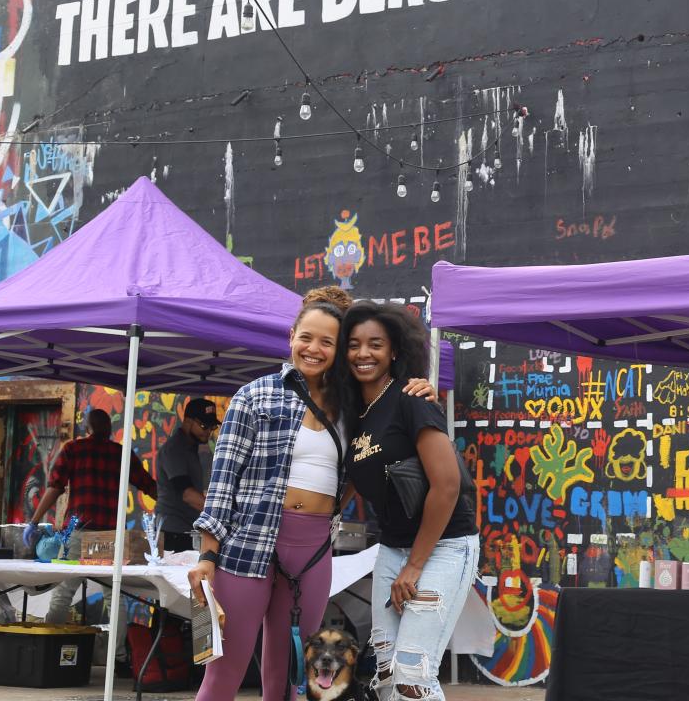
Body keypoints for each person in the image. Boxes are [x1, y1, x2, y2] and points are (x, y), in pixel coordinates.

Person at [188, 287, 438, 701]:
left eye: (328, 342)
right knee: (224, 674)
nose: (314, 349)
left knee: (290, 677)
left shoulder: (356, 406)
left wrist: (420, 388)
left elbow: (370, 456)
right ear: (291, 336)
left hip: (313, 551)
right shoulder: (255, 395)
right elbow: (222, 483)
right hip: (247, 546)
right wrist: (207, 557)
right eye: (307, 337)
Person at [335, 301, 477, 701]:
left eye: (375, 344)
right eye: (354, 344)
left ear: (394, 350)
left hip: (443, 546)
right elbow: (354, 475)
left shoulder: (411, 399)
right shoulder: (354, 412)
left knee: (413, 675)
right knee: (385, 674)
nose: (364, 354)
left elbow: (447, 485)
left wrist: (414, 566)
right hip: (393, 549)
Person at [25, 407, 159, 669]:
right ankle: (118, 657)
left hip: (79, 531)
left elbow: (54, 488)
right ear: (109, 430)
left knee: (63, 591)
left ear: (86, 427)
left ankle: (50, 652)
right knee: (114, 595)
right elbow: (149, 486)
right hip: (110, 533)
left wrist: (33, 521)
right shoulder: (120, 453)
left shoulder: (73, 449)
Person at [157, 397, 221, 553]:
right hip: (173, 533)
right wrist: (219, 512)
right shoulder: (174, 449)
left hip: (185, 529)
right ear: (187, 421)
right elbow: (187, 494)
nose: (208, 432)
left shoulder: (191, 447)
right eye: (204, 425)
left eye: (212, 427)